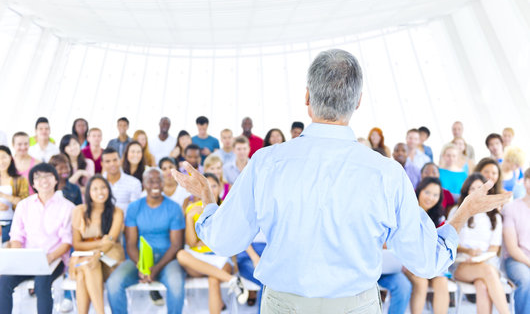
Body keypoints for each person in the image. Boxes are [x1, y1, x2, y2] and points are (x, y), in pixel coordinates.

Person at [172, 49, 510, 313]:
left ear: (307, 97)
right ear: (358, 101)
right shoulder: (386, 172)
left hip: (283, 306)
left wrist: (208, 200)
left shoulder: (266, 163)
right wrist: (460, 216)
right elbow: (426, 261)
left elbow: (224, 239)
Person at [106, 168, 186, 314]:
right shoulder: (134, 208)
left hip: (167, 261)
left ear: (163, 184)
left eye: (158, 181)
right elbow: (130, 243)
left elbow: (176, 245)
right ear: (144, 184)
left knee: (176, 283)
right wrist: (143, 267)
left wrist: (155, 269)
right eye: (150, 181)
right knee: (113, 283)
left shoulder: (174, 208)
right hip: (139, 260)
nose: (155, 185)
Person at [0, 163, 74, 314]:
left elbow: (67, 241)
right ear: (33, 183)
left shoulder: (67, 207)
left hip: (54, 259)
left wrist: (50, 257)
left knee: (42, 283)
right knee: (3, 281)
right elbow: (16, 236)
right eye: (38, 177)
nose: (43, 180)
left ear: (55, 180)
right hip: (26, 260)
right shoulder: (24, 205)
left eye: (47, 176)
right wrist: (18, 256)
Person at [177, 173, 248, 313]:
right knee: (181, 254)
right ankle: (232, 280)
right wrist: (190, 217)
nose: (210, 190)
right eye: (205, 186)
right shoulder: (193, 208)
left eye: (213, 186)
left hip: (220, 257)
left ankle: (229, 279)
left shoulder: (227, 208)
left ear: (220, 187)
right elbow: (191, 243)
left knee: (213, 280)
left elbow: (227, 240)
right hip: (199, 259)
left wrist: (204, 241)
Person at [449, 174, 510, 314]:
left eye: (480, 188)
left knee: (482, 285)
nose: (477, 192)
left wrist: (479, 258)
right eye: (473, 188)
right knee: (487, 272)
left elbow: (494, 249)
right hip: (462, 263)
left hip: (487, 262)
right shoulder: (456, 211)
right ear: (467, 192)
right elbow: (450, 241)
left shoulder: (495, 217)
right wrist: (469, 252)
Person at [70, 175, 124, 314]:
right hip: (85, 256)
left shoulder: (116, 211)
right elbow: (77, 244)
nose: (100, 192)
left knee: (88, 266)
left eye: (103, 188)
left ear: (109, 190)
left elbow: (111, 241)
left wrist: (98, 253)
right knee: (85, 268)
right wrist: (100, 242)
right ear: (88, 192)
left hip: (109, 255)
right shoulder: (79, 211)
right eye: (95, 189)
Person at [404, 177, 449, 314]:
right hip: (408, 261)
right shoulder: (407, 211)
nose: (430, 198)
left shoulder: (439, 218)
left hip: (430, 262)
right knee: (421, 283)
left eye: (435, 195)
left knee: (442, 282)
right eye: (427, 192)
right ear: (419, 191)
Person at [502, 168, 530, 314]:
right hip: (517, 260)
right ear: (525, 182)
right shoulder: (511, 208)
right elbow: (512, 248)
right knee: (527, 282)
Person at [0, 146, 29, 243]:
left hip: (12, 223)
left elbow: (24, 202)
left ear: (10, 158)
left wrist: (4, 195)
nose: (1, 161)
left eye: (4, 157)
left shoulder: (20, 179)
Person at [101, 147, 142, 214]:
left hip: (126, 223)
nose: (112, 164)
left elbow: (135, 211)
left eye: (115, 160)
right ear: (102, 164)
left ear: (120, 161)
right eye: (108, 161)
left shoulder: (134, 183)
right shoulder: (98, 183)